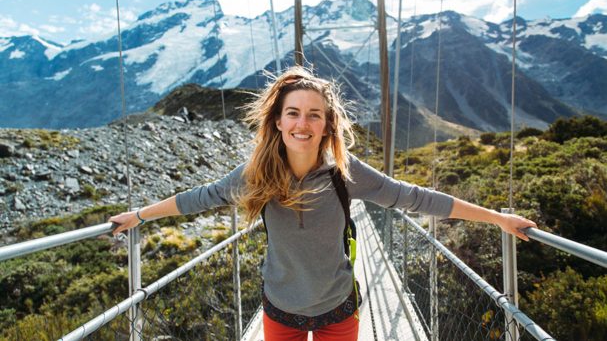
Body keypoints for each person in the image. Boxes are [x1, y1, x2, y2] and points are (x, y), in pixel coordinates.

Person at [109, 66, 537, 341]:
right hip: (280, 312)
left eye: (315, 114)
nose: (303, 123)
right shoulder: (255, 174)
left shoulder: (344, 172)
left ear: (328, 123)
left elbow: (415, 197)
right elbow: (199, 198)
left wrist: (497, 219)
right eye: (293, 113)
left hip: (338, 311)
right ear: (277, 121)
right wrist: (140, 216)